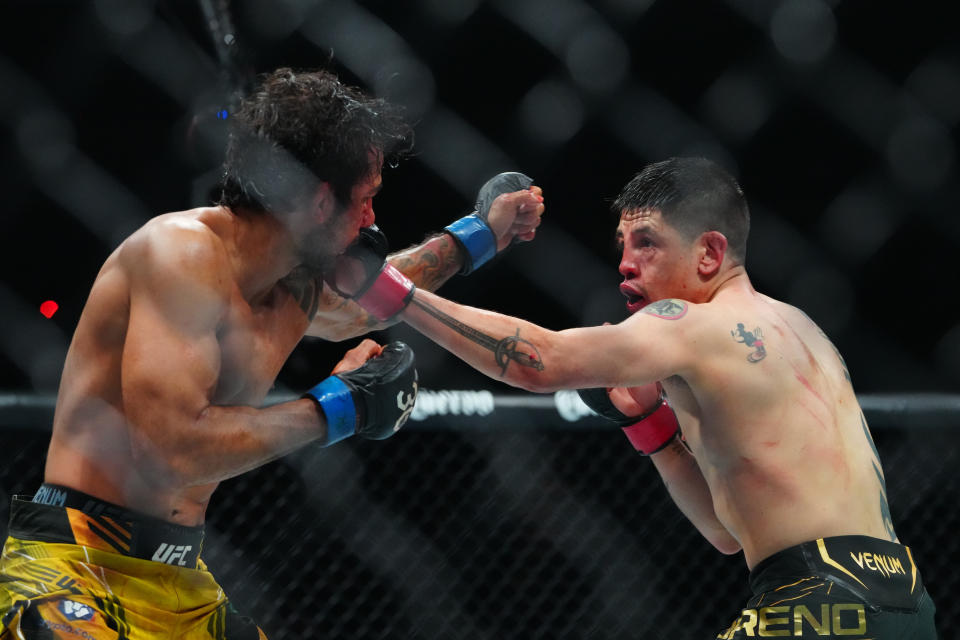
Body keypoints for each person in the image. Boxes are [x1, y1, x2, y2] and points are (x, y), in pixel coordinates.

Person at [0, 67, 544, 639]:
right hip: (75, 565)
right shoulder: (179, 255)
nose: (371, 220)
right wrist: (339, 408)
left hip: (179, 580)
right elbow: (169, 450)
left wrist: (480, 234)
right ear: (317, 202)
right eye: (365, 200)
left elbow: (368, 305)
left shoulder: (297, 284)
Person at [333, 156, 938, 638]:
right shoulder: (807, 332)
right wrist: (650, 424)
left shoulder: (692, 324)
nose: (625, 264)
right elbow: (729, 533)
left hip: (816, 600)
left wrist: (387, 290)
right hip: (903, 597)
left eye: (646, 242)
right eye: (622, 245)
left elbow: (541, 361)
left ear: (709, 252)